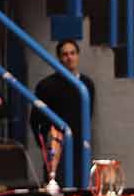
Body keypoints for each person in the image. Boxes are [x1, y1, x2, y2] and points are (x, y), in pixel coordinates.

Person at [34, 39, 96, 182]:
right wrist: (47, 145)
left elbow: (88, 115)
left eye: (73, 53)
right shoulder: (46, 86)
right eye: (65, 54)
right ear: (59, 58)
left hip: (80, 148)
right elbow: (36, 120)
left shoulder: (87, 84)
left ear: (78, 56)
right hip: (57, 147)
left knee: (80, 190)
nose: (69, 58)